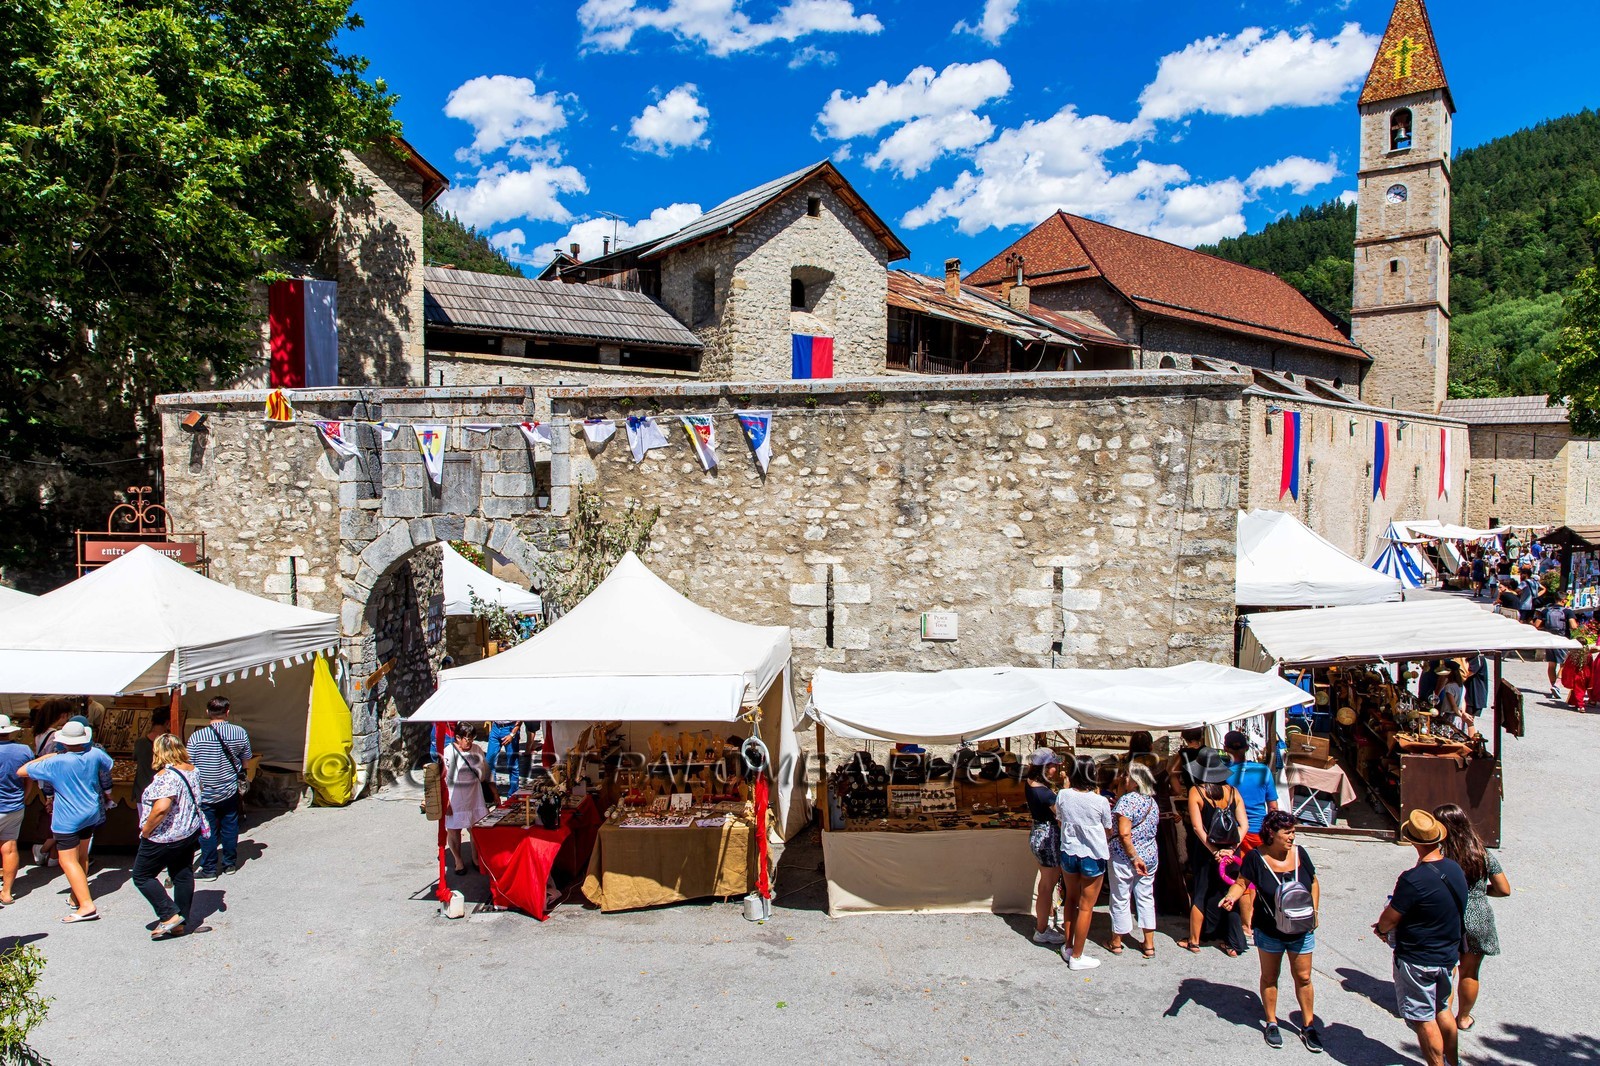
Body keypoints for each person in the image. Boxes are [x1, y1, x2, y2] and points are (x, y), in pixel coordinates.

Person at [1222, 810, 1323, 1053]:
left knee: (1304, 977)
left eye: (1293, 832)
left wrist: (1315, 912)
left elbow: (1314, 883)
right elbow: (1242, 883)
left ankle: (1308, 1026)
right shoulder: (1256, 858)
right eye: (1287, 832)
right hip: (1269, 929)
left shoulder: (1300, 854)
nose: (1292, 837)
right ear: (1271, 833)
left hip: (1300, 929)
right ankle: (1271, 1022)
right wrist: (1230, 897)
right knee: (1270, 976)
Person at [1374, 810, 1469, 1066]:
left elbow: (1390, 918)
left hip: (1417, 959)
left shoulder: (1412, 879)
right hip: (1447, 956)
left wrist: (1382, 930)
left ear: (1414, 842)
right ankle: (1453, 1062)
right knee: (1442, 1010)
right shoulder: (1454, 869)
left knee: (1423, 1019)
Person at [15, 719, 112, 922]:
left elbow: (22, 771)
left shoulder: (56, 762)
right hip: (90, 811)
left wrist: (49, 755)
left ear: (63, 742)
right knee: (82, 856)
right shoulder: (94, 754)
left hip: (68, 817)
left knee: (67, 860)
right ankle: (78, 897)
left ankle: (86, 905)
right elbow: (108, 764)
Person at [1434, 804, 1510, 1033]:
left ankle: (1442, 1015)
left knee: (1447, 968)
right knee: (1470, 971)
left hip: (1450, 915)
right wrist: (1479, 892)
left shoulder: (1439, 856)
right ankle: (1463, 1018)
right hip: (1479, 917)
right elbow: (1504, 889)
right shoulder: (1483, 854)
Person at [132, 735, 206, 940]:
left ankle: (169, 914)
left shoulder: (167, 776)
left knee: (141, 875)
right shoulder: (193, 770)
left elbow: (162, 808)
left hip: (164, 836)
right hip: (188, 832)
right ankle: (180, 921)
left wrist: (146, 830)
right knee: (182, 874)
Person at [1180, 748, 1248, 956]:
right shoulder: (1233, 792)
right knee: (1229, 893)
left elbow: (1197, 828)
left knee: (1200, 893)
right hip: (1230, 853)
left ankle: (1194, 940)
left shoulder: (1196, 792)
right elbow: (1243, 825)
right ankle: (1231, 941)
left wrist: (1213, 851)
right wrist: (1230, 850)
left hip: (1204, 852)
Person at [1055, 755, 1112, 970]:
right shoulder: (1100, 801)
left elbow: (1059, 820)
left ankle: (1069, 946)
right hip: (1092, 854)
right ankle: (1077, 956)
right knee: (1086, 907)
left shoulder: (1063, 795)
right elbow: (1108, 828)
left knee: (1070, 899)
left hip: (1069, 851)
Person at [187, 696, 253, 879]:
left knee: (207, 830)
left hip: (205, 790)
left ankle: (208, 868)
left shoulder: (197, 737)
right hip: (229, 788)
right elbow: (246, 758)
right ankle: (229, 864)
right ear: (227, 711)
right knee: (230, 825)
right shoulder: (239, 732)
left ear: (208, 712)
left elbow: (189, 763)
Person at [1224, 729, 1279, 937]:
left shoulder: (1225, 774)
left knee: (1244, 878)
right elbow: (1272, 807)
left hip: (1236, 833)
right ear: (1247, 748)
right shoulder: (1263, 771)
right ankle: (1263, 917)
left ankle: (1247, 925)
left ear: (1226, 748)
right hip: (1259, 830)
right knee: (1263, 874)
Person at [1107, 763, 1160, 959]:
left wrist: (1133, 856)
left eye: (1127, 777)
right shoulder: (1151, 802)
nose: (1124, 779)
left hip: (1125, 856)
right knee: (1146, 897)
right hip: (1149, 854)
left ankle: (1117, 941)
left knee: (1121, 897)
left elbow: (1124, 833)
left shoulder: (1127, 802)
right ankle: (1149, 943)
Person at [1023, 748, 1065, 946]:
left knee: (1045, 884)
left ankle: (1046, 918)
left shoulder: (1031, 784)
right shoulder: (1044, 793)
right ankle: (1041, 929)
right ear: (1045, 768)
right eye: (1054, 766)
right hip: (1048, 837)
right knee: (1047, 886)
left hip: (1038, 833)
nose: (1057, 768)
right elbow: (1061, 815)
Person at [444, 722, 492, 875]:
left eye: (472, 738)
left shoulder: (476, 749)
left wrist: (493, 791)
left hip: (474, 795)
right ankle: (458, 860)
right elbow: (442, 778)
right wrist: (446, 801)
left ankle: (475, 857)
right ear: (458, 738)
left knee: (475, 828)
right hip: (455, 796)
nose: (469, 742)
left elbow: (484, 770)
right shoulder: (448, 752)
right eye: (466, 739)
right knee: (454, 829)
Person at [0, 715, 32, 905]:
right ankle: (6, 892)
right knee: (10, 847)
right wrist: (24, 797)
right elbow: (29, 779)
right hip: (14, 805)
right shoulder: (24, 750)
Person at [1535, 592, 1571, 700]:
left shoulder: (1546, 610)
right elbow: (1573, 625)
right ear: (1564, 600)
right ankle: (1557, 685)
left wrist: (1546, 628)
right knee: (1564, 664)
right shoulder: (1567, 611)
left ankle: (1553, 685)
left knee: (1551, 665)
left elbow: (1536, 625)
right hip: (1562, 640)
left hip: (1549, 640)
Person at [132, 708, 170, 800]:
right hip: (162, 792)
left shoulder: (140, 742)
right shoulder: (170, 744)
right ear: (168, 723)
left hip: (142, 790)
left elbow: (135, 758)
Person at [1166, 726, 1206, 803]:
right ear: (1201, 736)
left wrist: (1177, 791)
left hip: (1194, 794)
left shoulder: (1183, 754)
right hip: (1211, 793)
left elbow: (1172, 773)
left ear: (1184, 736)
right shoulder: (1209, 751)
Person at [485, 720, 523, 795]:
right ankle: (492, 794)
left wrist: (512, 733)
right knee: (489, 763)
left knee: (512, 765)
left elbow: (523, 715)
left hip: (510, 727)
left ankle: (513, 795)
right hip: (496, 727)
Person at [1437, 663, 1472, 735]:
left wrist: (1462, 715)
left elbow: (1454, 706)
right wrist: (1463, 713)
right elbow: (1463, 701)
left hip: (1450, 717)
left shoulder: (1449, 687)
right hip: (1459, 718)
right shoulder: (1461, 686)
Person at [1462, 654, 1491, 722]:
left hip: (1474, 696)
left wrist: (1462, 658)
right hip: (1468, 694)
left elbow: (1465, 674)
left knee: (1468, 722)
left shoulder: (1478, 658)